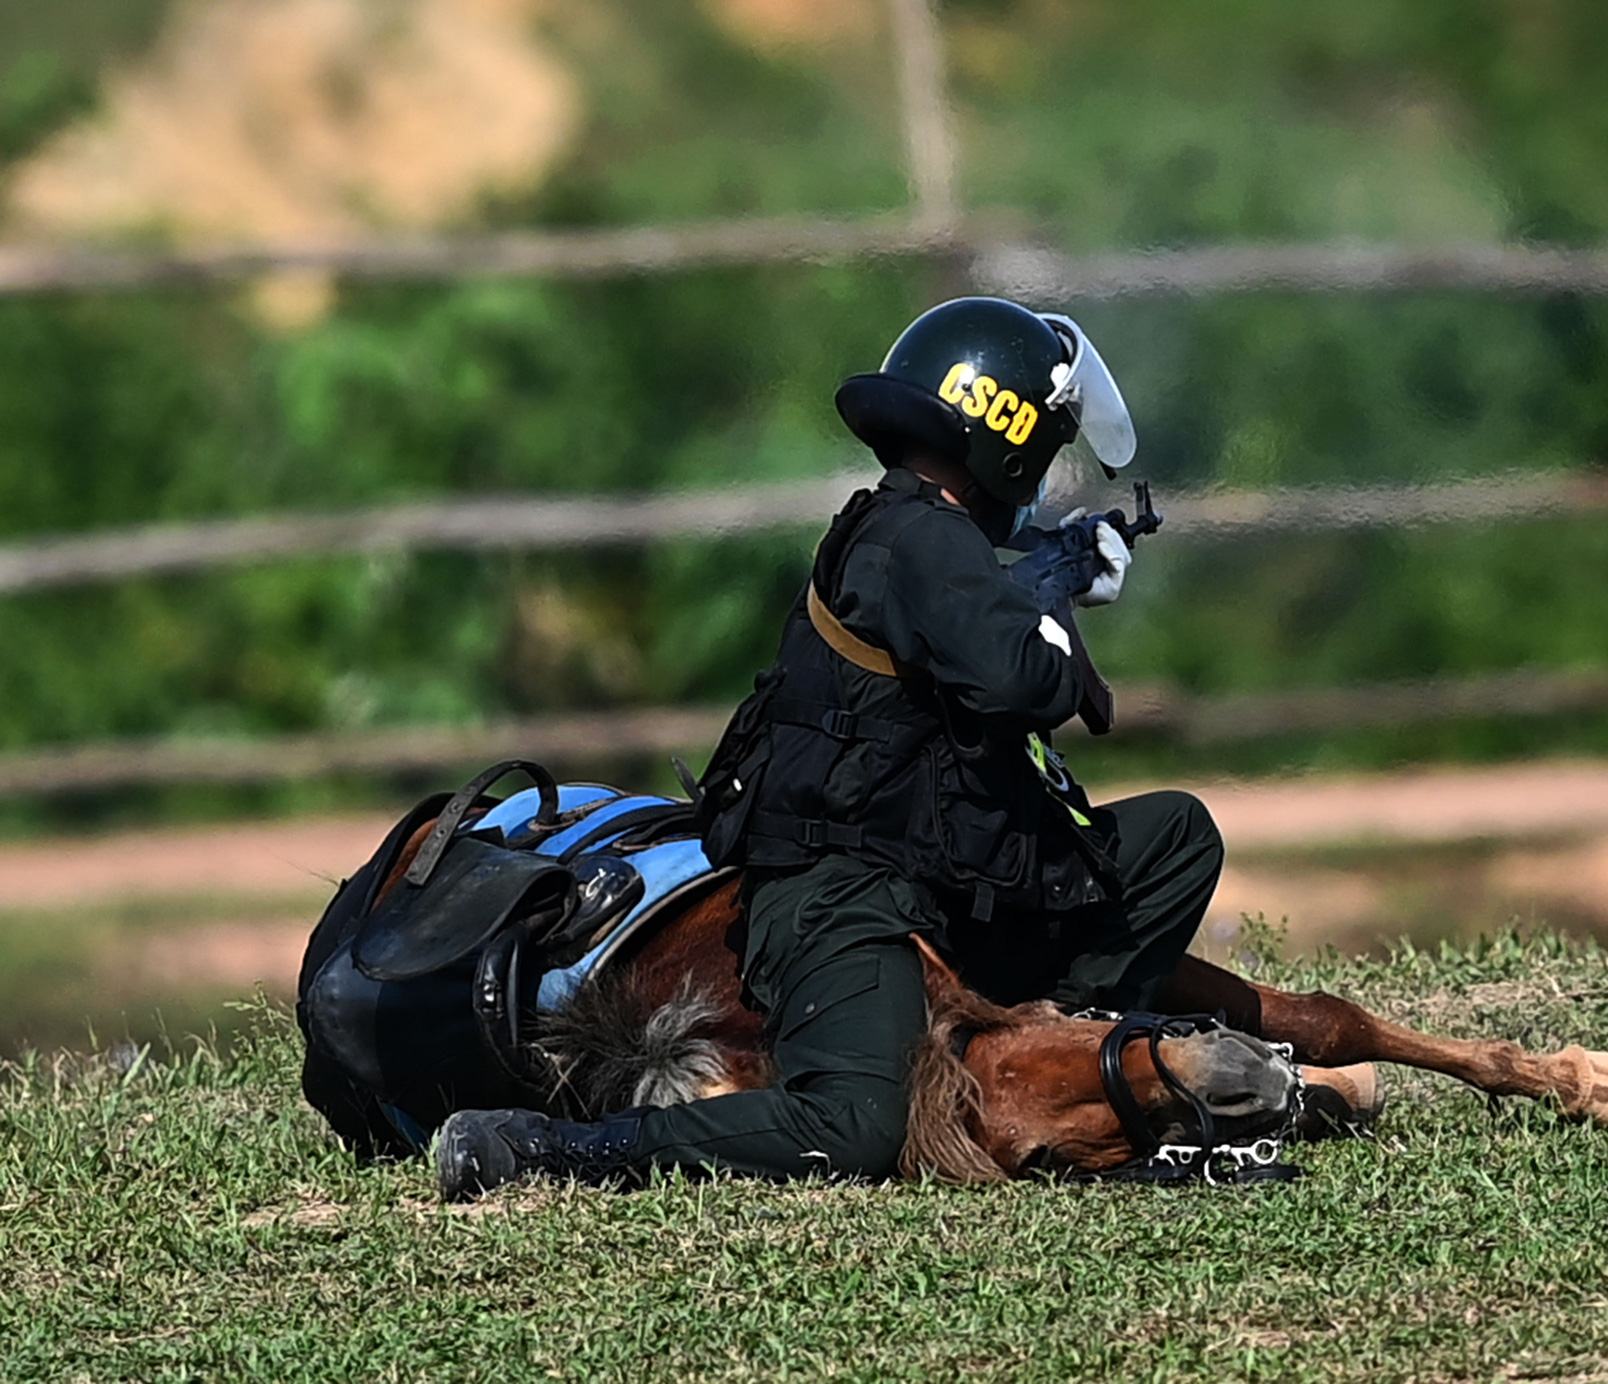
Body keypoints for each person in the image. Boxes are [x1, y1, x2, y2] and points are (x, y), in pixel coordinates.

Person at [435, 297, 1225, 1199]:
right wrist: (1050, 598)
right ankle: (558, 1150)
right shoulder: (918, 538)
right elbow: (1027, 685)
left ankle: (1060, 1049)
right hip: (842, 888)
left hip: (932, 870)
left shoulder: (926, 537)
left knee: (1175, 837)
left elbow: (977, 651)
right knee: (851, 1125)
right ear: (1009, 443)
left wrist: (1042, 583)